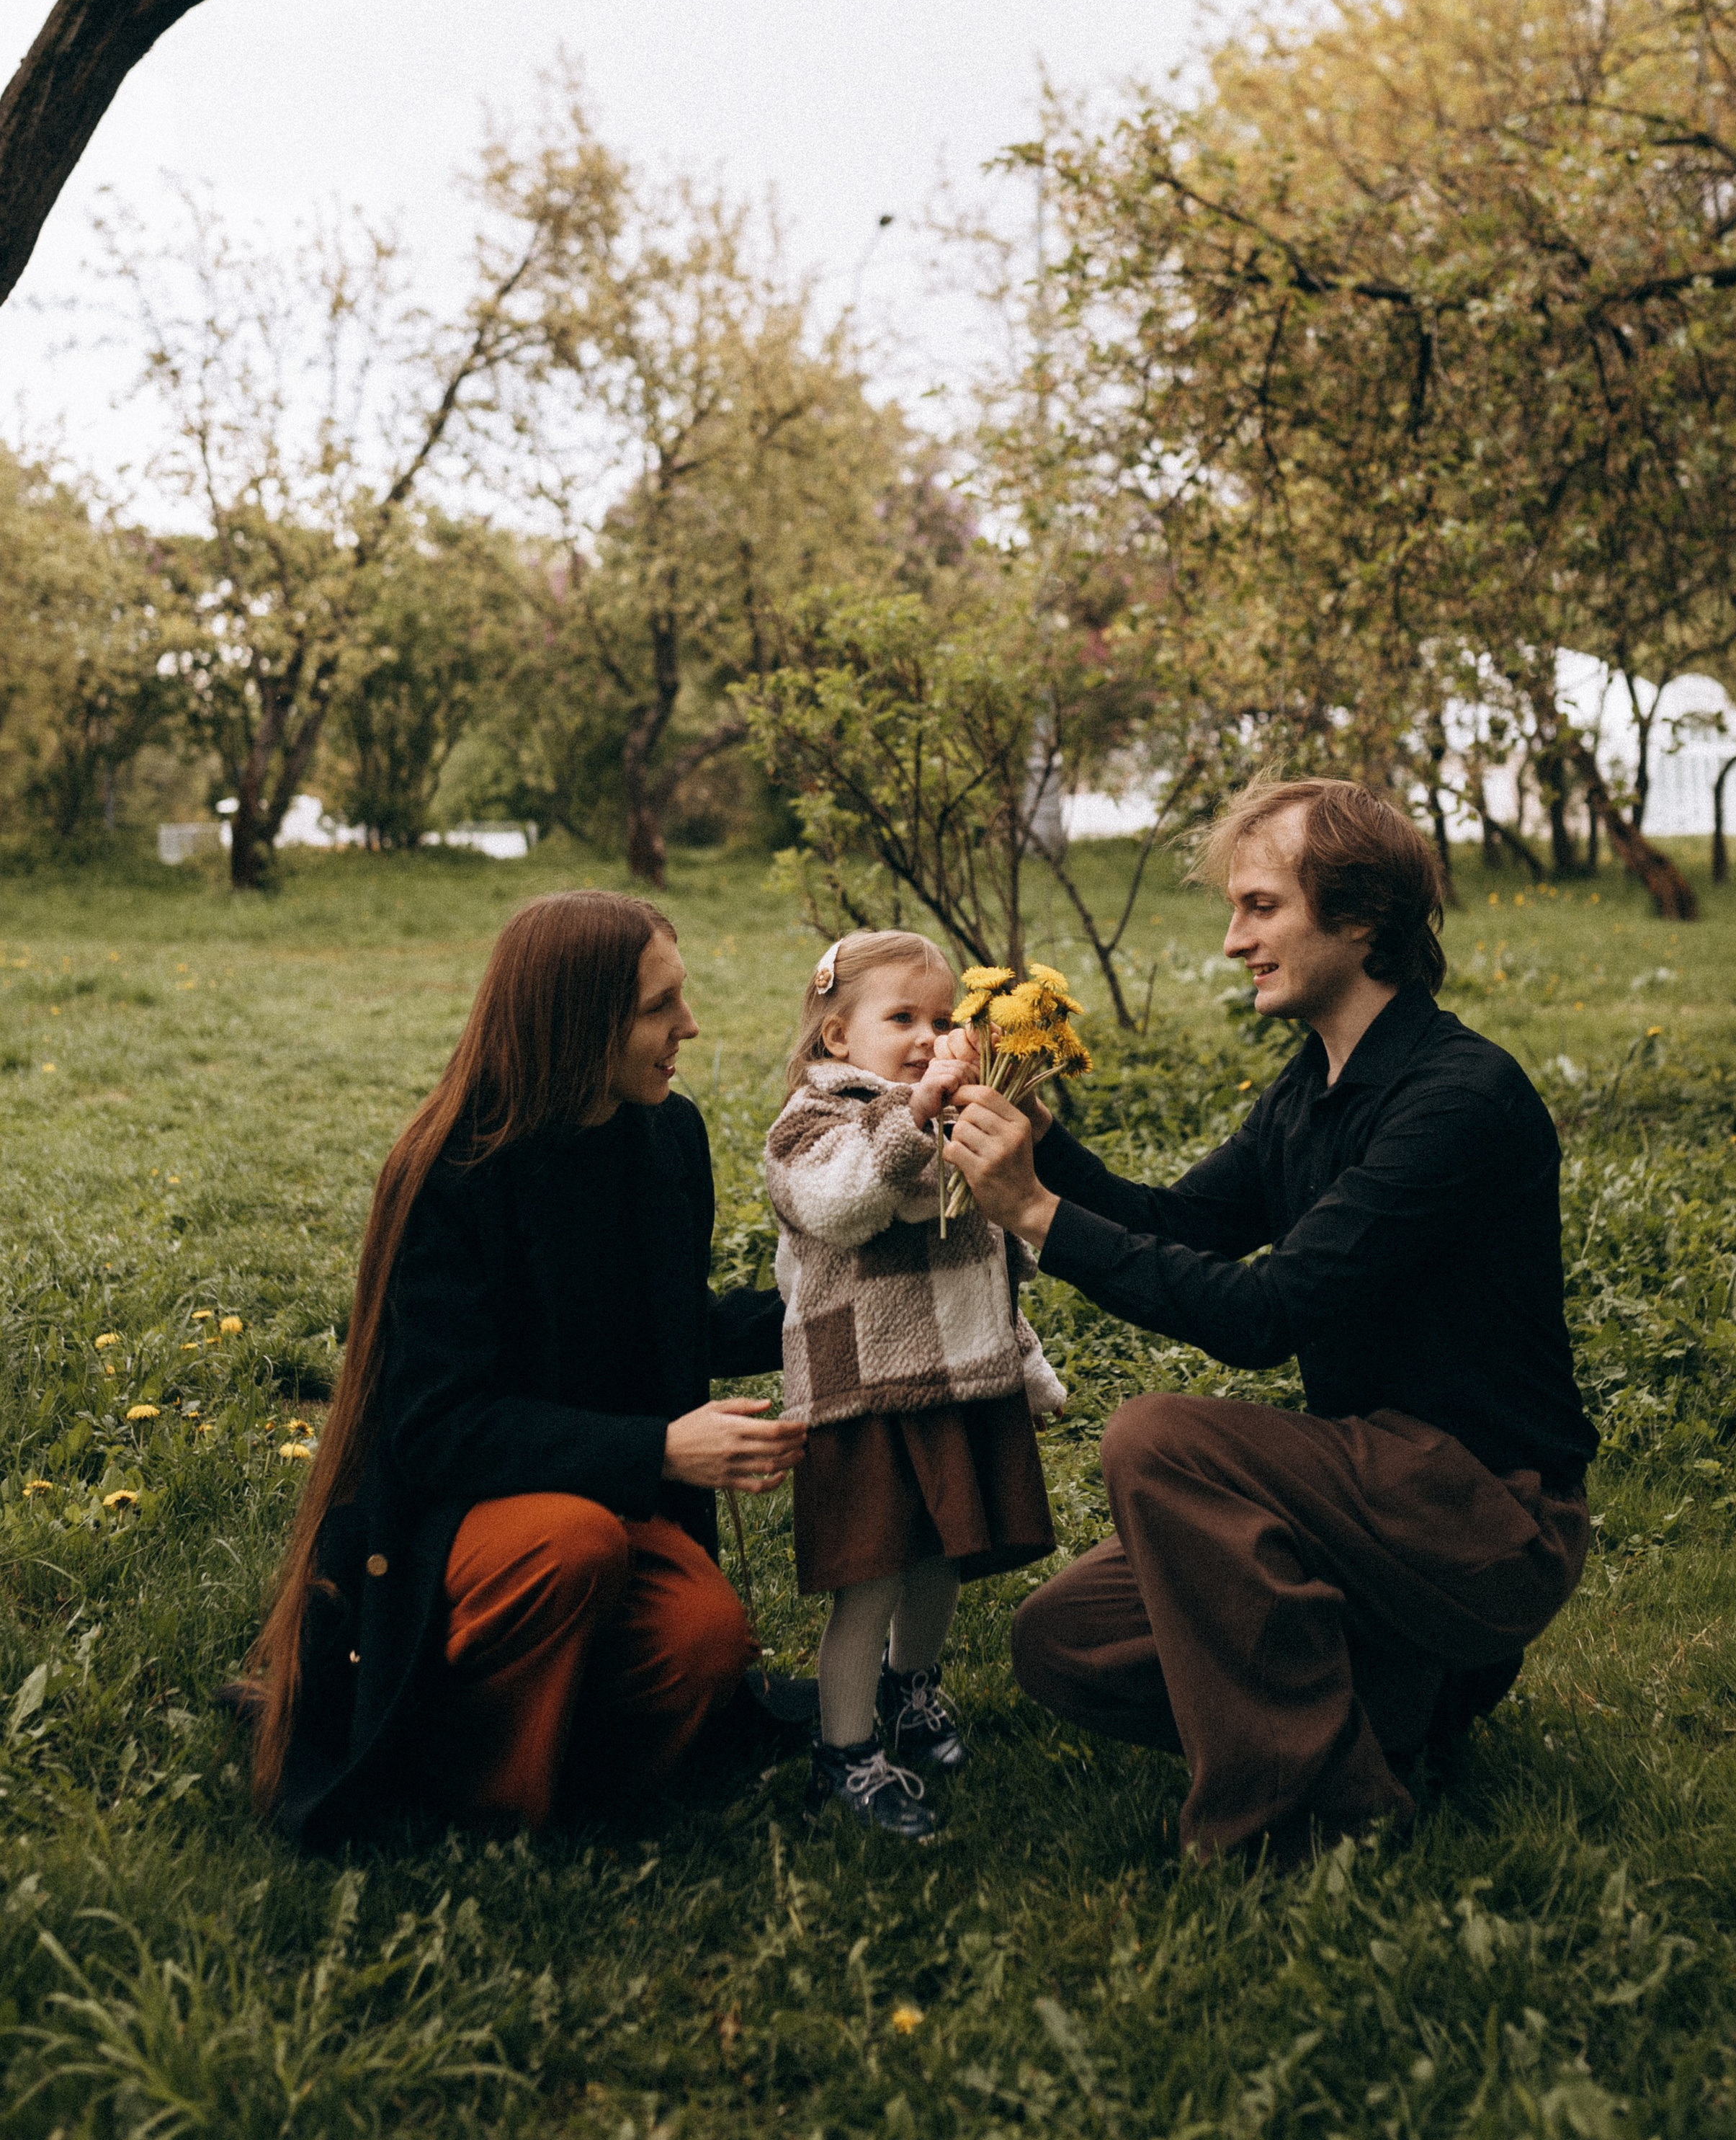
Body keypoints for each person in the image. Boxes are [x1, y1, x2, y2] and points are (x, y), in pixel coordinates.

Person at [941, 777, 1598, 1867]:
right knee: (1067, 1640)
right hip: (1371, 1492)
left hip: (1489, 1515)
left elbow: (1263, 1312)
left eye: (1260, 907)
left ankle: (1305, 1820)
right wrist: (1036, 1140)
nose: (1234, 939)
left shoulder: (1458, 1099)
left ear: (1359, 918)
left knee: (1159, 1440)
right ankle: (1403, 1698)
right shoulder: (1311, 1091)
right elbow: (1186, 1223)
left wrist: (1037, 1216)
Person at [246, 889, 809, 1848]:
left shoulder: (668, 1136)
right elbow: (433, 1429)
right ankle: (479, 1798)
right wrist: (660, 1448)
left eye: (681, 996)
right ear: (576, 1020)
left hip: (600, 1494)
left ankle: (570, 1762)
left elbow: (670, 1324)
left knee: (708, 1644)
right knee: (574, 1545)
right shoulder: (453, 1171)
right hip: (454, 1524)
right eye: (657, 1007)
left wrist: (853, 1320)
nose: (690, 1024)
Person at [766, 930, 1066, 1839]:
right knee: (870, 1575)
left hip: (959, 1378)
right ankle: (845, 1750)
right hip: (862, 1389)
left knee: (942, 1556)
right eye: (901, 1017)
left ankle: (910, 1689)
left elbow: (992, 1254)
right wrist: (913, 1120)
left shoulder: (942, 1116)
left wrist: (1015, 1116)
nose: (928, 1035)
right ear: (833, 1037)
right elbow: (842, 1205)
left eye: (945, 1018)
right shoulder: (812, 1127)